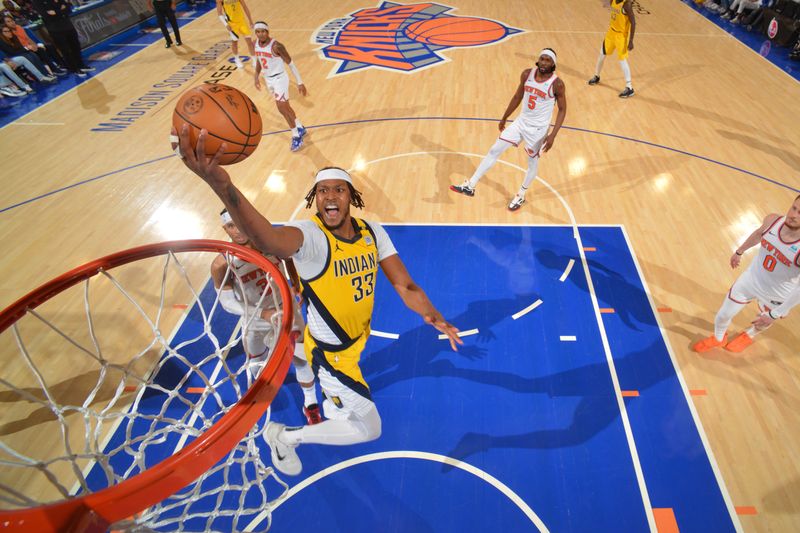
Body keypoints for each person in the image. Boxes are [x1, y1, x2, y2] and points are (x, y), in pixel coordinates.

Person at [174, 126, 463, 476]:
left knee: (341, 413)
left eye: (338, 189)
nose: (330, 195)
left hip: (355, 346)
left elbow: (406, 286)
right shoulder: (309, 235)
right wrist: (222, 186)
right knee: (370, 428)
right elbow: (268, 237)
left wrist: (435, 317)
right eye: (322, 190)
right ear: (315, 198)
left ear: (351, 197)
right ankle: (284, 436)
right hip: (331, 356)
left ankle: (327, 410)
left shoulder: (372, 233)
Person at [211, 208, 322, 425]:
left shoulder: (270, 241)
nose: (238, 229)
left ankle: (310, 403)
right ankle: (256, 394)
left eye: (239, 222)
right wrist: (263, 312)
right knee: (256, 360)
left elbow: (289, 259)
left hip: (287, 311)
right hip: (255, 319)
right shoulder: (222, 263)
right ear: (225, 228)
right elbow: (227, 302)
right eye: (231, 225)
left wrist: (296, 286)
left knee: (301, 358)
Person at [450, 49, 567, 211]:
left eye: (548, 60)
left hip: (538, 130)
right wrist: (505, 117)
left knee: (532, 162)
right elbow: (517, 97)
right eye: (542, 58)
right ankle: (471, 185)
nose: (544, 62)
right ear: (538, 60)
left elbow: (562, 110)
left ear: (553, 63)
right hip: (520, 122)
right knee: (494, 150)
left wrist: (553, 135)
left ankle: (521, 194)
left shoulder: (557, 84)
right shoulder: (527, 74)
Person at [693, 195, 800, 353]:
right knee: (723, 314)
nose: (793, 215)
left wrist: (775, 314)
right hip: (751, 280)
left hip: (777, 295)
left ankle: (749, 335)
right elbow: (758, 234)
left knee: (762, 322)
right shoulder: (773, 220)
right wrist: (739, 251)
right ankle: (718, 337)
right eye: (794, 208)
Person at [252, 21, 308, 152]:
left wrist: (300, 82)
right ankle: (300, 126)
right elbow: (260, 60)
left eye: (263, 31)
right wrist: (256, 76)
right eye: (258, 32)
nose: (260, 34)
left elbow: (291, 63)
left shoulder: (277, 46)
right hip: (269, 79)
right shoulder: (255, 44)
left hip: (280, 78)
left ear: (268, 32)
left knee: (281, 107)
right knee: (286, 106)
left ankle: (296, 135)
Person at [30, 0, 95, 77]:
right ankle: (74, 69)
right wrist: (61, 10)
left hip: (68, 25)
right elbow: (46, 15)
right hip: (55, 29)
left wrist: (56, 12)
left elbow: (68, 8)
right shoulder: (37, 1)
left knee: (76, 46)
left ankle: (81, 65)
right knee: (65, 50)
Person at [587, 0, 636, 98]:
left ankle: (629, 87)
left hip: (621, 36)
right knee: (602, 54)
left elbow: (633, 22)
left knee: (622, 60)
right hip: (611, 33)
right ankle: (596, 76)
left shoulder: (626, 5)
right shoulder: (613, 0)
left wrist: (631, 40)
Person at [216, 0, 255, 69]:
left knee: (249, 41)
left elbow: (245, 7)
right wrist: (226, 24)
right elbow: (219, 13)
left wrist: (250, 20)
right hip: (232, 23)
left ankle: (254, 59)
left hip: (242, 21)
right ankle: (237, 59)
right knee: (235, 41)